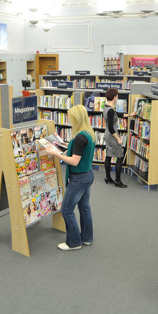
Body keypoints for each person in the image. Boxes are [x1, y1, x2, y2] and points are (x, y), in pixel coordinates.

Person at [45, 105, 96, 251]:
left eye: (71, 117)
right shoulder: (88, 132)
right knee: (84, 207)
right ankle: (86, 238)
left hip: (79, 178)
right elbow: (78, 149)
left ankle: (74, 242)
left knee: (66, 210)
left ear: (76, 118)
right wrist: (60, 143)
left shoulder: (80, 136)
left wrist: (56, 154)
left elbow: (74, 161)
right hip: (88, 175)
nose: (69, 120)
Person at [103, 88, 136, 188]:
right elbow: (112, 128)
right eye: (117, 96)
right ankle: (117, 181)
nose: (117, 97)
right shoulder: (111, 110)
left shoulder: (106, 107)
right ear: (114, 97)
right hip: (112, 134)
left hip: (107, 134)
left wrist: (130, 114)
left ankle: (108, 177)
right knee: (120, 156)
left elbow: (118, 115)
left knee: (108, 155)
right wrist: (118, 139)